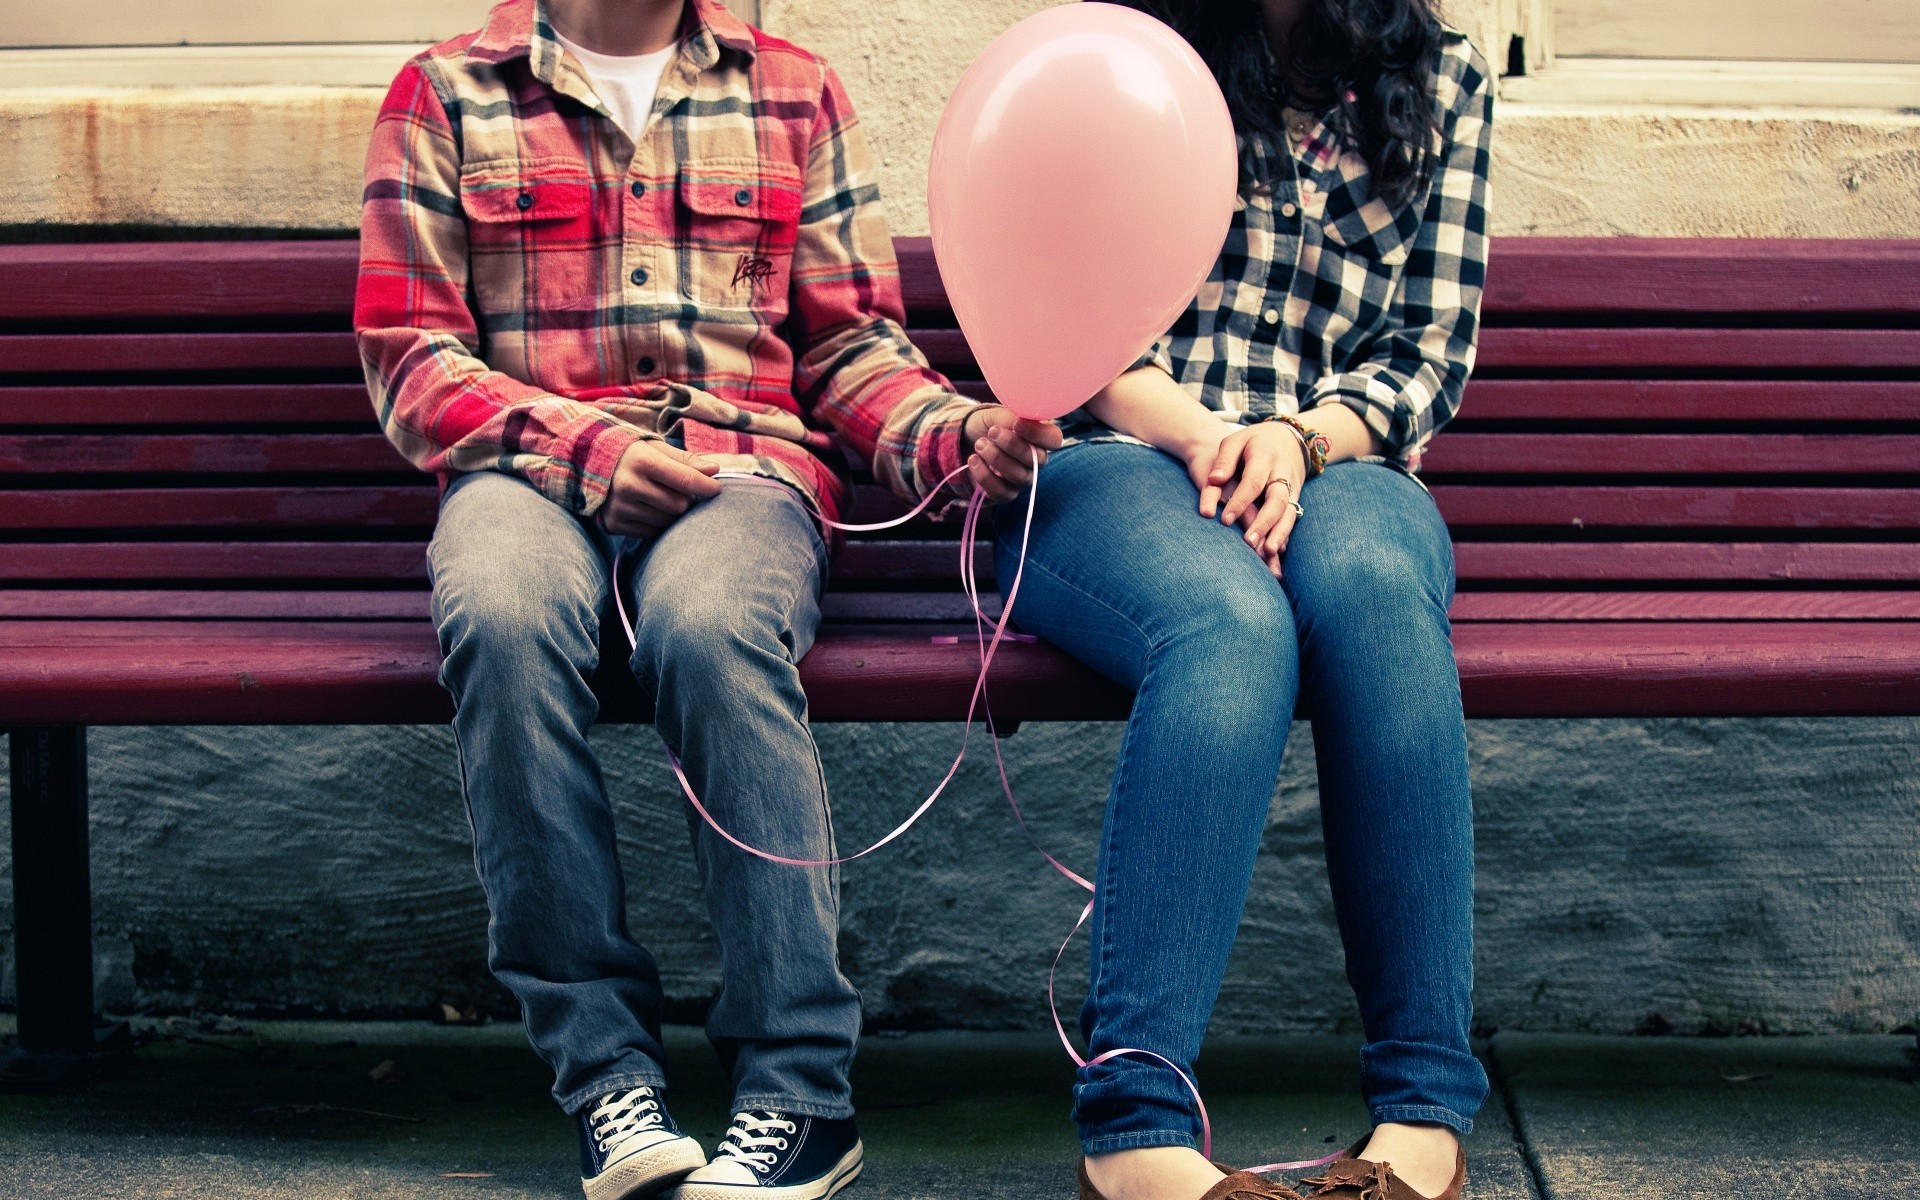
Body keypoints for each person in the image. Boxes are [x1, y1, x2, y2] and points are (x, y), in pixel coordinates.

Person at [353, 1, 1058, 1197]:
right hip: (525, 470)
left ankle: (799, 1092)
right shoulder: (446, 93)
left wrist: (957, 439)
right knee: (504, 619)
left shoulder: (794, 93)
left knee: (708, 625)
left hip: (743, 472)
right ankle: (606, 1080)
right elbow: (410, 353)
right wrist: (585, 454)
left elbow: (850, 350)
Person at [994, 2, 1495, 1199]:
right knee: (1231, 624)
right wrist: (1216, 437)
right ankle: (1133, 1130)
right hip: (1130, 457)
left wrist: (1299, 440)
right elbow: (1071, 318)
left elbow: (1430, 345)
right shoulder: (1125, 61)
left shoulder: (1441, 76)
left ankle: (1424, 1114)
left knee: (1375, 594)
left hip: (1342, 461)